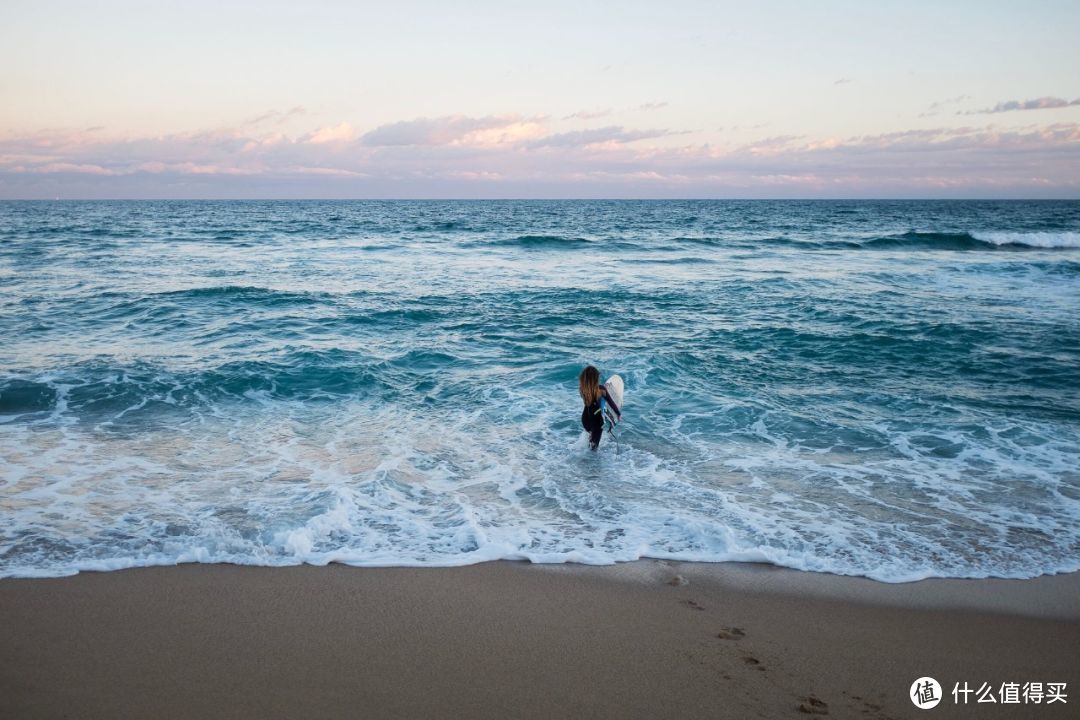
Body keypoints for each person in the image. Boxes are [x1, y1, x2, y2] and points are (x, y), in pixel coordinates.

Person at [579, 365, 620, 451]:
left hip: (585, 419)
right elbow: (610, 402)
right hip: (597, 420)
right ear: (595, 379)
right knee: (594, 448)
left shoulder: (582, 390)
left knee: (591, 441)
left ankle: (585, 459)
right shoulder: (601, 390)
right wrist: (618, 413)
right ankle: (591, 462)